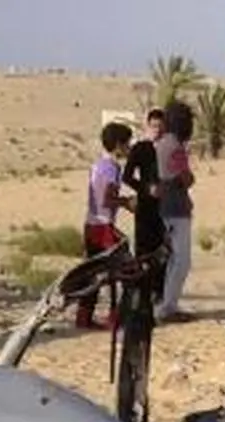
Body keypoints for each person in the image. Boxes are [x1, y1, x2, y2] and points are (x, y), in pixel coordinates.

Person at [76, 122, 135, 329]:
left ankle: (84, 317)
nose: (129, 148)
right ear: (118, 145)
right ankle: (116, 317)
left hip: (91, 224)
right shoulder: (112, 168)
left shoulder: (97, 165)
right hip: (103, 227)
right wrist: (126, 202)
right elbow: (107, 199)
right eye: (127, 144)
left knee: (91, 273)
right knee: (126, 271)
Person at [154, 100, 196, 323]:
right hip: (177, 208)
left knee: (170, 259)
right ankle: (168, 307)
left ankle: (165, 303)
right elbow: (186, 178)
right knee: (181, 260)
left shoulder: (161, 144)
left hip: (162, 207)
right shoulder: (175, 147)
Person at [122, 108, 166, 263]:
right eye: (154, 126)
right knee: (143, 249)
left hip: (165, 207)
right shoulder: (140, 148)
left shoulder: (169, 149)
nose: (157, 130)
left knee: (162, 250)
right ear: (148, 126)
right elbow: (126, 177)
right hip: (145, 206)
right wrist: (146, 188)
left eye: (160, 126)